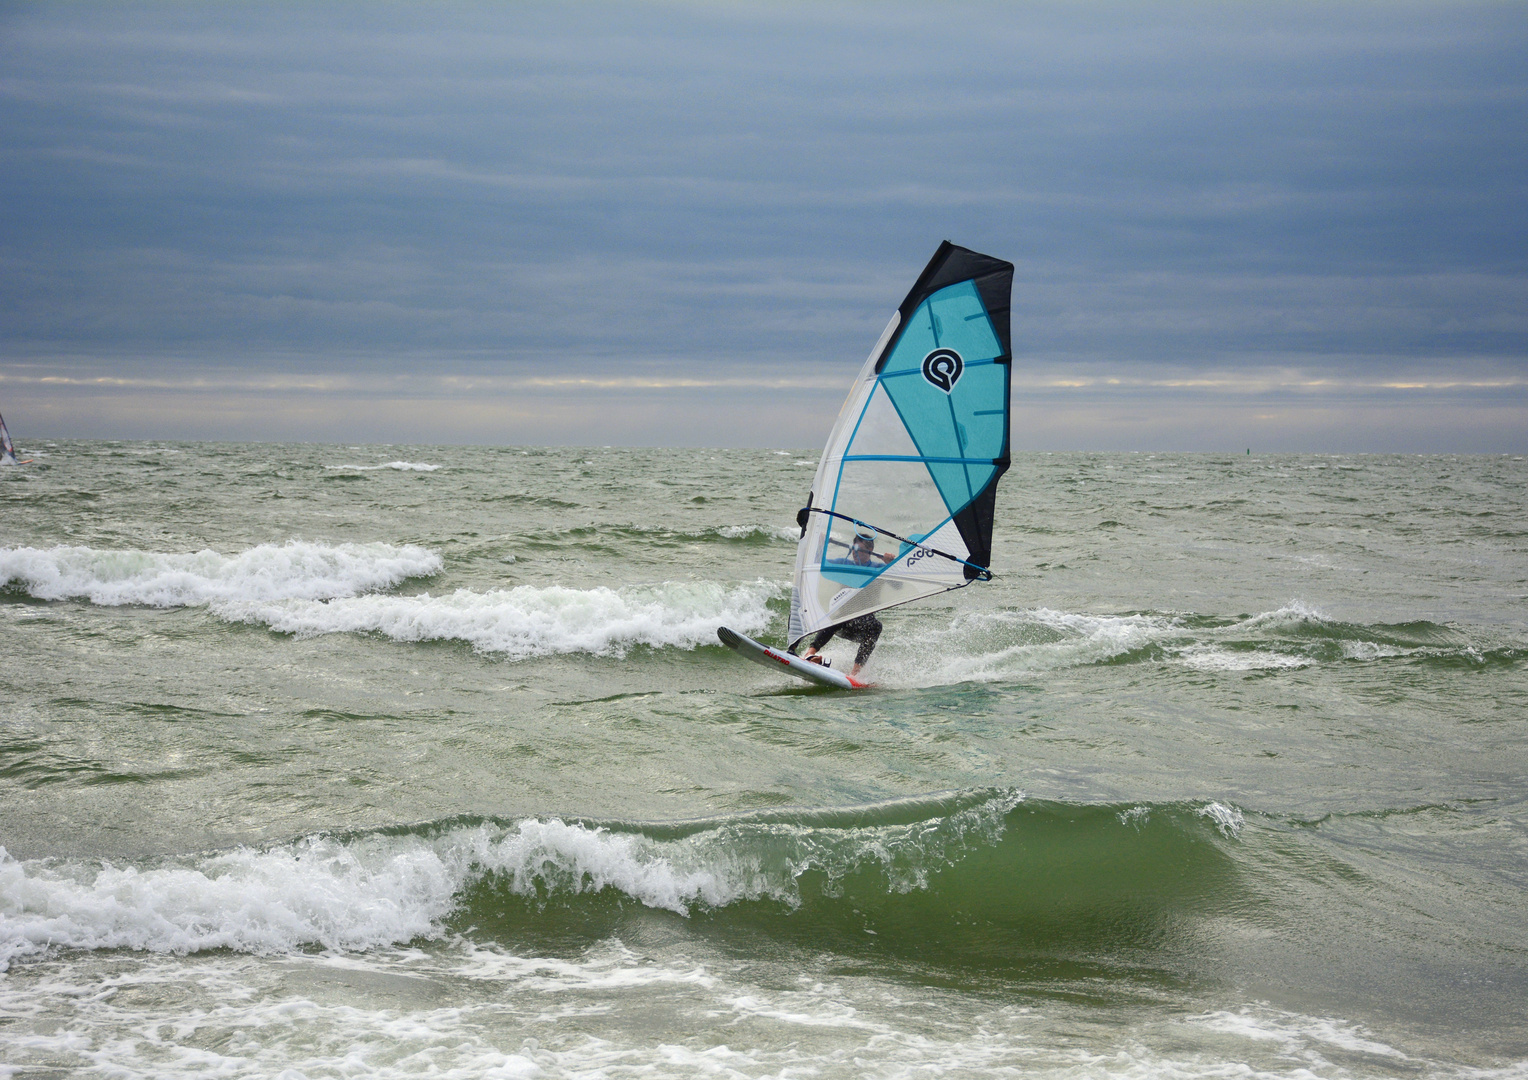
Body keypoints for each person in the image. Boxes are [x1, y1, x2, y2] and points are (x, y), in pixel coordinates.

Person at [798, 528, 894, 677]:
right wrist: (820, 545)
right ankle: (809, 655)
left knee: (876, 626)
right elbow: (817, 564)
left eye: (860, 550)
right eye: (854, 550)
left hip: (863, 627)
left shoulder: (879, 569)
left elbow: (898, 585)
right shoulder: (844, 564)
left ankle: (855, 673)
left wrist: (892, 565)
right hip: (842, 623)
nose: (855, 553)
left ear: (871, 551)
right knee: (837, 615)